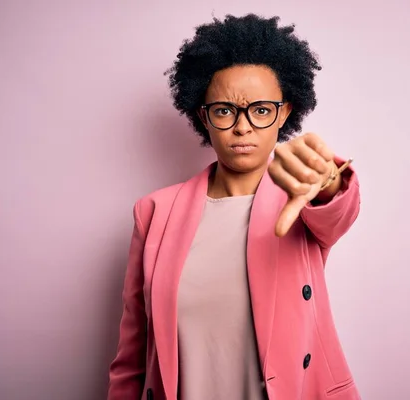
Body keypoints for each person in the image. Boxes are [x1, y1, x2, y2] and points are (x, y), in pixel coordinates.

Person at [107, 14, 361, 400]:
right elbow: (132, 357)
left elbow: (337, 211)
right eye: (225, 110)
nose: (242, 127)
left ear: (285, 112)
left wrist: (327, 183)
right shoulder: (154, 212)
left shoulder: (302, 202)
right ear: (202, 115)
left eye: (261, 110)